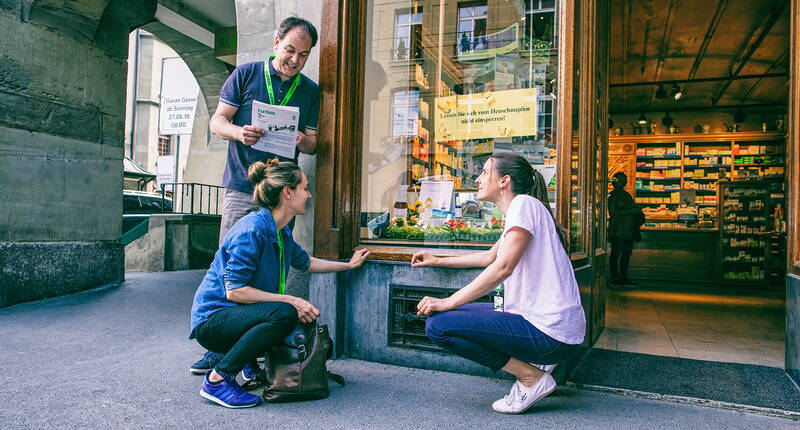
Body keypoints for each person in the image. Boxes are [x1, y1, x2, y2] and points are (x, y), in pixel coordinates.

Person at [191, 16, 321, 375]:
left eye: (304, 55)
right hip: (241, 184)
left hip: (281, 192)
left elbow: (313, 141)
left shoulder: (309, 90)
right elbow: (217, 122)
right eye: (291, 50)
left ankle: (252, 349)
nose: (295, 60)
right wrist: (238, 132)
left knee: (272, 265)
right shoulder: (246, 74)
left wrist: (302, 140)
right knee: (232, 268)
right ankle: (220, 348)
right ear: (276, 42)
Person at [410, 153, 586, 414]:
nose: (478, 179)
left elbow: (503, 267)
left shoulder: (523, 205)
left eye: (484, 172)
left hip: (550, 334)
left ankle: (531, 378)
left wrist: (448, 301)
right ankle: (536, 369)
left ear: (504, 181)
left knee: (440, 326)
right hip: (552, 330)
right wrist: (437, 259)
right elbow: (489, 257)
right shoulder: (526, 208)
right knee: (447, 318)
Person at [189, 159, 369, 408]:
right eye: (305, 188)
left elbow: (306, 262)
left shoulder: (279, 229)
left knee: (285, 313)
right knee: (284, 312)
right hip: (213, 322)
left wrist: (348, 265)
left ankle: (249, 367)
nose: (309, 194)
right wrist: (292, 300)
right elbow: (235, 291)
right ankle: (218, 380)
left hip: (236, 316)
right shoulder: (252, 230)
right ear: (287, 192)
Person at [607, 171, 639, 286]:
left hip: (628, 230)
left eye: (625, 180)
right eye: (621, 180)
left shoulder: (626, 195)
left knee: (626, 255)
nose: (624, 182)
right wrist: (631, 211)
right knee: (616, 254)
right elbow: (613, 211)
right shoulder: (612, 195)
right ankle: (614, 277)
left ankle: (623, 277)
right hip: (618, 230)